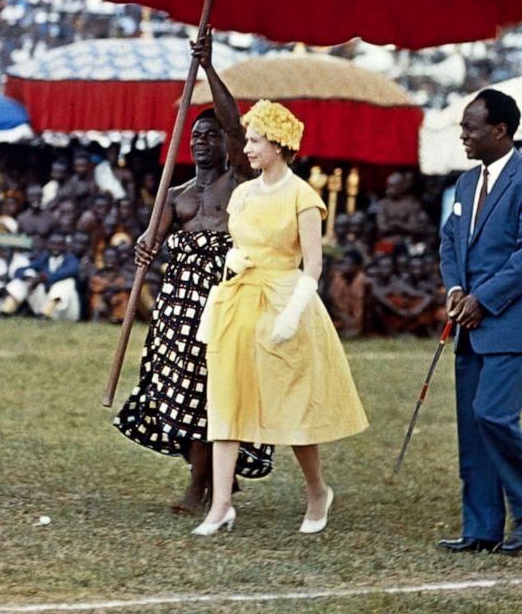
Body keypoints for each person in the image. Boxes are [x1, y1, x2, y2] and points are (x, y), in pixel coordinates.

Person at [193, 99, 368, 537]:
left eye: (254, 141)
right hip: (239, 299)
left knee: (290, 403)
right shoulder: (243, 194)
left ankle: (316, 492)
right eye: (248, 140)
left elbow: (313, 265)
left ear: (278, 144)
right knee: (227, 397)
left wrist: (292, 315)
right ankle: (220, 506)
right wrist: (233, 257)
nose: (247, 148)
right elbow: (238, 241)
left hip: (284, 300)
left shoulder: (301, 196)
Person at [114, 32, 272, 515]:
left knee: (211, 393)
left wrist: (206, 68)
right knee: (176, 392)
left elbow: (232, 123)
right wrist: (145, 248)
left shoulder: (239, 181)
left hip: (222, 301)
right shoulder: (176, 193)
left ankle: (199, 486)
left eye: (212, 136)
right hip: (176, 308)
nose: (203, 142)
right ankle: (211, 472)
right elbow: (150, 241)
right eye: (196, 137)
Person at [439, 88, 522, 555]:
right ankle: (482, 528)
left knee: (493, 413)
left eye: (471, 127)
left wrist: (483, 300)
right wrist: (454, 290)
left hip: (511, 323)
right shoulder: (467, 184)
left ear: (500, 130)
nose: (463, 135)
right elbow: (451, 243)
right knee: (473, 428)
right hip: (469, 324)